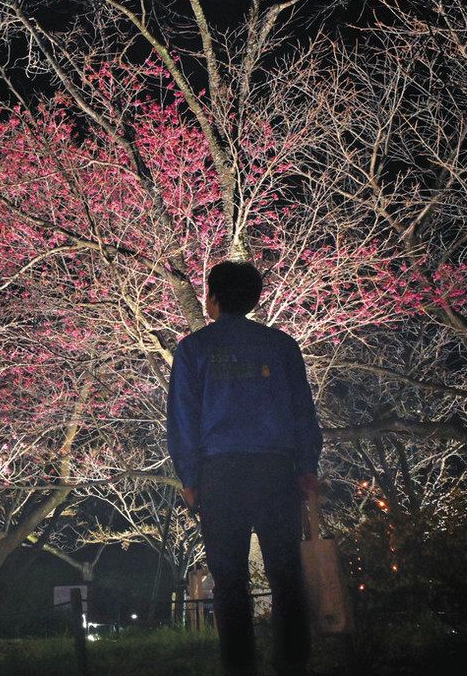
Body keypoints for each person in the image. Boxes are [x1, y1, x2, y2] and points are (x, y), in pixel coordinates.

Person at [167, 261, 322, 676]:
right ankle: (292, 663)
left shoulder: (193, 349)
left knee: (229, 577)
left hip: (221, 473)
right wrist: (307, 465)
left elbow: (183, 419)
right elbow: (303, 412)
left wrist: (190, 477)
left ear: (212, 298)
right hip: (277, 470)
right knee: (286, 571)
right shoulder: (281, 345)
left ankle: (240, 667)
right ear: (254, 298)